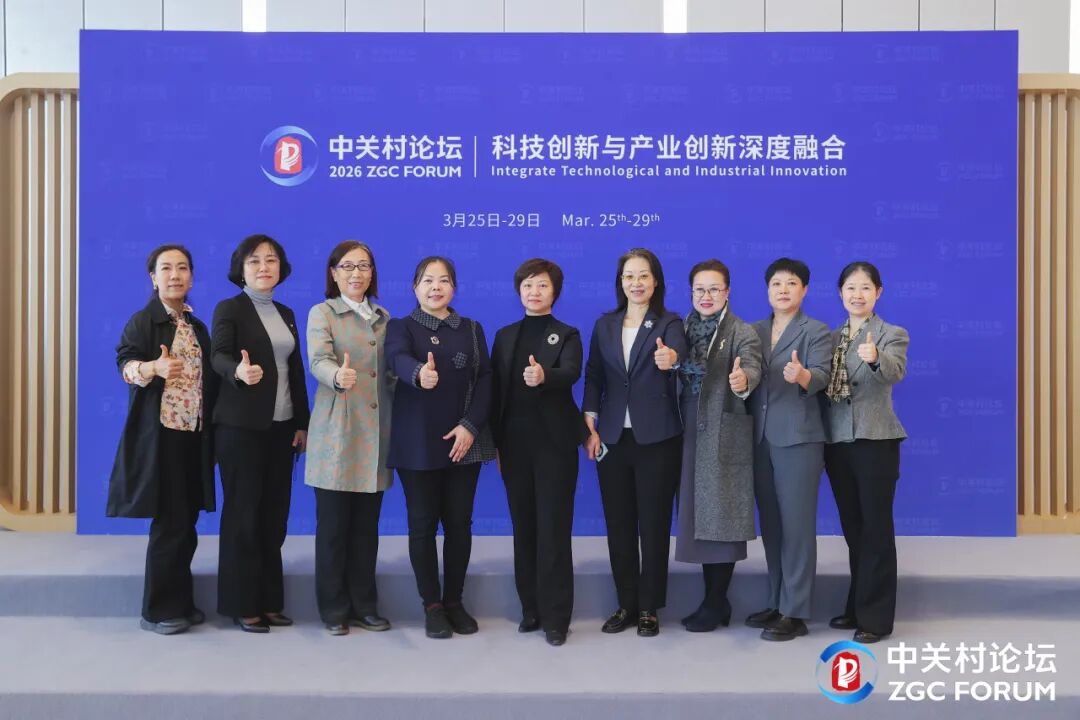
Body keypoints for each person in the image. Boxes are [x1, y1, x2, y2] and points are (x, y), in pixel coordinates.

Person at [108, 244, 219, 635]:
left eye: (183, 268)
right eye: (166, 268)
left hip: (194, 437)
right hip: (163, 437)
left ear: (191, 277)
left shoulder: (197, 326)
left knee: (186, 523)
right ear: (153, 278)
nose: (175, 275)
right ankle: (157, 610)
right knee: (170, 523)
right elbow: (125, 364)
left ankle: (181, 602)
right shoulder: (144, 321)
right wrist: (152, 367)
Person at [385, 256, 495, 639]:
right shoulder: (401, 327)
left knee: (459, 525)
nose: (436, 287)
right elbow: (397, 358)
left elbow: (486, 380)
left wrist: (470, 426)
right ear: (415, 287)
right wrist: (420, 373)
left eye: (443, 280)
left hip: (465, 442)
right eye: (428, 280)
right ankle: (431, 605)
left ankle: (454, 602)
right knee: (422, 525)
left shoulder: (471, 329)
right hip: (417, 444)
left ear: (454, 287)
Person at [583, 248, 688, 637]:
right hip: (612, 438)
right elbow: (594, 374)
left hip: (657, 438)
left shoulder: (670, 322)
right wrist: (589, 418)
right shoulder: (605, 325)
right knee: (619, 525)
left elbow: (679, 356)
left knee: (654, 526)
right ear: (620, 282)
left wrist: (671, 360)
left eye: (643, 275)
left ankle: (649, 607)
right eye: (629, 276)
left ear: (655, 281)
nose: (636, 283)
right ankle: (626, 603)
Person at [211, 234, 310, 633]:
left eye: (271, 260)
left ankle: (269, 602)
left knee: (274, 517)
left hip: (282, 429)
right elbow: (218, 355)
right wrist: (237, 371)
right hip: (241, 428)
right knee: (244, 516)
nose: (264, 267)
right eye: (254, 261)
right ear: (241, 268)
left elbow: (295, 371)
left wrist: (302, 422)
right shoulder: (230, 308)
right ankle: (242, 603)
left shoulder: (286, 312)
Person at [490, 258, 588, 647]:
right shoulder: (504, 336)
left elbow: (572, 372)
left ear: (555, 292)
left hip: (555, 446)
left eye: (543, 285)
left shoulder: (567, 334)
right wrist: (496, 444)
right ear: (519, 290)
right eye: (528, 285)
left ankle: (556, 617)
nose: (534, 292)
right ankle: (530, 608)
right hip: (514, 446)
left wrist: (545, 376)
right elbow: (496, 393)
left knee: (553, 530)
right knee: (524, 528)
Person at [304, 241, 394, 636]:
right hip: (338, 433)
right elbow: (318, 360)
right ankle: (334, 609)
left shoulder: (385, 318)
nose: (356, 273)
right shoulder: (322, 313)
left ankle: (365, 606)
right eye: (347, 266)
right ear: (333, 273)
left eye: (364, 266)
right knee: (333, 530)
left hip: (375, 436)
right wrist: (336, 375)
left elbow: (391, 371)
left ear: (372, 273)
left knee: (366, 531)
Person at [674, 259, 763, 632]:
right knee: (697, 516)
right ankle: (714, 601)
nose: (706, 296)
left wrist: (743, 381)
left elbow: (753, 368)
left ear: (727, 292)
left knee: (721, 517)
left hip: (722, 433)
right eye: (700, 289)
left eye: (714, 289)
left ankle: (714, 603)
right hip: (685, 431)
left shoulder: (742, 331)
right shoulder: (678, 329)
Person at [823, 261, 908, 644]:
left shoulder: (892, 333)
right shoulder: (830, 337)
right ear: (840, 293)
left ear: (878, 293)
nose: (857, 295)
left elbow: (895, 371)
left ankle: (876, 618)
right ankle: (857, 605)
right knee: (854, 529)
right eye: (850, 288)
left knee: (876, 529)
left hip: (875, 441)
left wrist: (876, 358)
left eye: (865, 288)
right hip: (838, 442)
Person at [746, 257, 832, 641]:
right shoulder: (753, 331)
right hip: (759, 437)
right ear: (767, 290)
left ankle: (795, 611)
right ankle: (776, 600)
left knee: (797, 526)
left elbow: (824, 377)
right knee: (773, 525)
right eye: (776, 283)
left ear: (805, 290)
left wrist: (803, 375)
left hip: (799, 438)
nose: (783, 289)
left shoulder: (816, 331)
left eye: (792, 283)